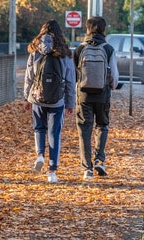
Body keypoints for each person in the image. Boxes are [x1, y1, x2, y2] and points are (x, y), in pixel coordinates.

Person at [23, 20, 76, 183]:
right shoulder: (64, 53)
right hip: (57, 100)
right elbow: (69, 80)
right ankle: (52, 171)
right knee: (54, 134)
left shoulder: (36, 51)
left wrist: (27, 97)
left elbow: (29, 77)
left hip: (37, 98)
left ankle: (40, 155)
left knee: (39, 128)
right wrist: (70, 103)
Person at [73, 16, 118, 180]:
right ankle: (99, 159)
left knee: (85, 130)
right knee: (102, 125)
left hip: (84, 95)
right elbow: (115, 76)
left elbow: (74, 75)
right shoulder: (109, 49)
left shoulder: (79, 49)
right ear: (103, 30)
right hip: (103, 95)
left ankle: (87, 169)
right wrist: (110, 87)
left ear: (87, 29)